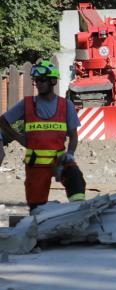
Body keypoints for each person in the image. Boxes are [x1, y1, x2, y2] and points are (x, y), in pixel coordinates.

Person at [0, 60, 86, 212]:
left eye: (42, 80)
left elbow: (73, 136)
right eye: (36, 80)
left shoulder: (66, 106)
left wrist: (70, 154)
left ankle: (78, 212)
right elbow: (3, 121)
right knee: (36, 208)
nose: (38, 84)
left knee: (76, 179)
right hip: (36, 165)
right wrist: (19, 138)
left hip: (59, 161)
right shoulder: (26, 104)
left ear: (53, 81)